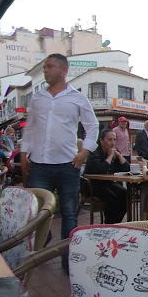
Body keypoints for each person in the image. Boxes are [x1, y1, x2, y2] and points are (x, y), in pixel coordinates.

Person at [19, 53, 99, 268]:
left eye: (50, 66)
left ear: (64, 70)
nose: (45, 70)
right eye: (44, 67)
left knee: (70, 213)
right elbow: (31, 127)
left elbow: (92, 127)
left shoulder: (78, 98)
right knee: (37, 212)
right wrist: (23, 153)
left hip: (68, 164)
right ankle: (39, 249)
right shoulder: (37, 98)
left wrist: (85, 151)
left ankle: (68, 261)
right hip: (39, 165)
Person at [86, 128, 132, 224]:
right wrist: (110, 156)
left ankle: (114, 223)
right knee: (112, 199)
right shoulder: (94, 152)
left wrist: (119, 156)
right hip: (93, 185)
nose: (113, 143)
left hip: (108, 183)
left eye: (114, 139)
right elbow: (100, 170)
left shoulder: (114, 151)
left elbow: (127, 168)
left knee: (125, 195)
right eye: (109, 140)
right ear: (102, 140)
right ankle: (108, 224)